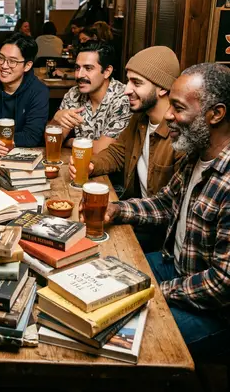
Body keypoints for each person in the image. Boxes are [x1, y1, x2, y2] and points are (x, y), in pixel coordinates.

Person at [103, 63, 230, 357]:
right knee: (101, 281)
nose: (169, 115)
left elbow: (223, 283)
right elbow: (164, 204)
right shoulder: (196, 156)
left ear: (216, 114)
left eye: (179, 107)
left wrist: (161, 292)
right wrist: (117, 209)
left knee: (120, 336)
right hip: (174, 266)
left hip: (213, 311)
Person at [69, 46, 182, 251]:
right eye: (128, 80)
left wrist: (119, 210)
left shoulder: (179, 135)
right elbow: (117, 152)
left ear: (163, 88)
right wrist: (92, 165)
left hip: (161, 238)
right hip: (137, 218)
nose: (126, 89)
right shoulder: (140, 119)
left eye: (136, 83)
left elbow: (170, 207)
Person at [0, 33, 49, 155]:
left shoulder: (39, 91)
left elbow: (32, 135)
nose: (4, 66)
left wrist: (1, 142)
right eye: (1, 58)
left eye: (12, 61)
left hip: (25, 157)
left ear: (27, 66)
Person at [52, 41, 131, 154]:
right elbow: (54, 142)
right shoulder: (73, 94)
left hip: (110, 170)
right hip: (79, 165)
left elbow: (103, 150)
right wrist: (56, 120)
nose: (79, 75)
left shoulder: (123, 98)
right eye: (77, 68)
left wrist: (70, 142)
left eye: (88, 68)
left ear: (107, 72)